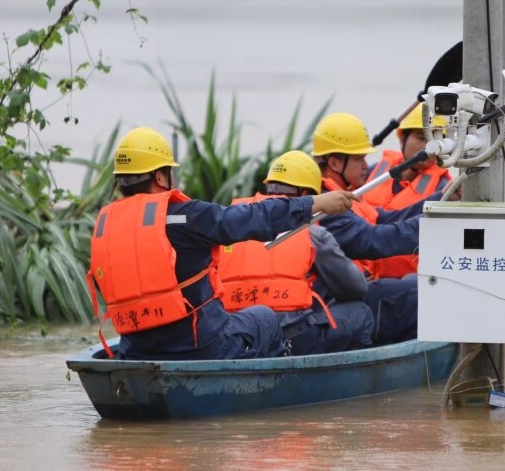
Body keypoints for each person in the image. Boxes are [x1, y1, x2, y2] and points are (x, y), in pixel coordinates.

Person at [86, 127, 357, 361]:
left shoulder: (105, 228)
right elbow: (253, 217)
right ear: (160, 177)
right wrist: (314, 203)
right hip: (201, 347)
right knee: (264, 317)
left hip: (136, 350)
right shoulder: (189, 217)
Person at [215, 151, 374, 356]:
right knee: (360, 312)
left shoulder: (233, 223)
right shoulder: (313, 233)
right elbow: (355, 289)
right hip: (292, 338)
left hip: (241, 334)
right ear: (307, 195)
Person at [310, 113, 422, 344]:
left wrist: (441, 203)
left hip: (354, 293)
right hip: (337, 304)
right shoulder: (324, 205)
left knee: (414, 280)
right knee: (424, 293)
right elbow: (371, 239)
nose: (365, 166)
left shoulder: (342, 195)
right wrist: (431, 227)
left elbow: (387, 219)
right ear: (334, 163)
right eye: (359, 159)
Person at [361, 104, 453, 279]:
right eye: (421, 137)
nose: (429, 146)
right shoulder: (371, 173)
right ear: (402, 138)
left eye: (436, 139)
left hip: (407, 285)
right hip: (362, 279)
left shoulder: (444, 189)